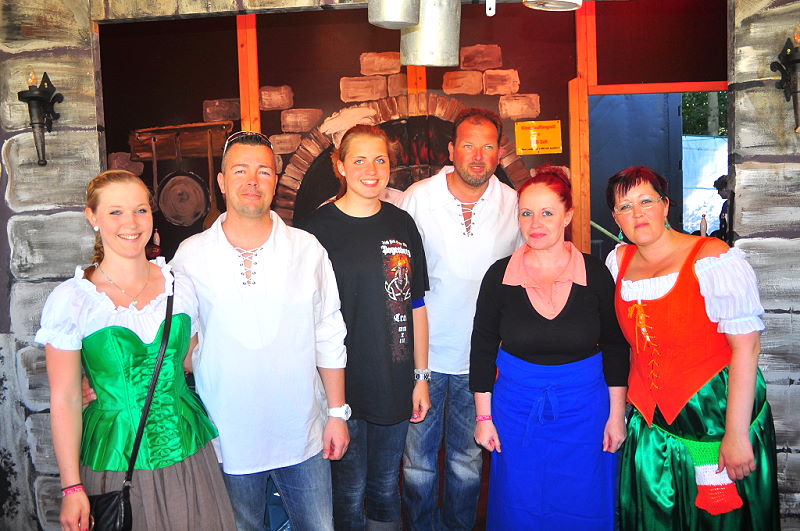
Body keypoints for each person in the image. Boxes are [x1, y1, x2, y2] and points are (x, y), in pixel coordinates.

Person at [170, 131, 349, 531]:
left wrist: (337, 413)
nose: (252, 180)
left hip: (303, 431)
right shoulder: (191, 255)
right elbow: (180, 344)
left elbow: (329, 333)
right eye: (240, 170)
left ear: (275, 181)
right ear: (221, 182)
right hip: (227, 436)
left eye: (263, 171)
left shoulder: (307, 249)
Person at [38, 169, 236, 531]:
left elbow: (191, 361)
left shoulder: (180, 287)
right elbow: (65, 399)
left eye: (140, 210)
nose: (130, 223)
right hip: (115, 464)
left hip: (188, 458)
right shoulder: (73, 301)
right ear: (92, 217)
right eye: (115, 211)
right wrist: (71, 487)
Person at [605, 166, 779, 530]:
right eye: (625, 206)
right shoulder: (618, 262)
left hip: (714, 415)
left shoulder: (711, 258)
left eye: (646, 201)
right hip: (651, 423)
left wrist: (736, 434)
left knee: (720, 519)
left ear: (666, 205)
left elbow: (747, 348)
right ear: (615, 218)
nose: (637, 213)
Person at [470, 166, 628, 530]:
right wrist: (484, 419)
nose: (535, 223)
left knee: (583, 500)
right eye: (526, 213)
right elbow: (482, 348)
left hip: (587, 414)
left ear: (567, 216)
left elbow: (615, 346)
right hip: (515, 414)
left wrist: (616, 415)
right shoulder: (498, 276)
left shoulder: (595, 274)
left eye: (547, 213)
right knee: (519, 503)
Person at [297, 124, 431, 530]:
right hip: (341, 386)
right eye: (359, 160)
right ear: (340, 165)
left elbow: (416, 305)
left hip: (394, 381)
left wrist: (421, 377)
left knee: (386, 488)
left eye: (380, 160)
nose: (371, 170)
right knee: (349, 493)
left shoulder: (402, 224)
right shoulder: (314, 231)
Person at [399, 108, 521, 530]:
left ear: (499, 152)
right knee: (417, 464)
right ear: (451, 150)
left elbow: (524, 276)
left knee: (467, 462)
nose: (478, 155)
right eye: (469, 145)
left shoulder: (514, 204)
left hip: (482, 360)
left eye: (488, 146)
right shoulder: (418, 198)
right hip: (424, 358)